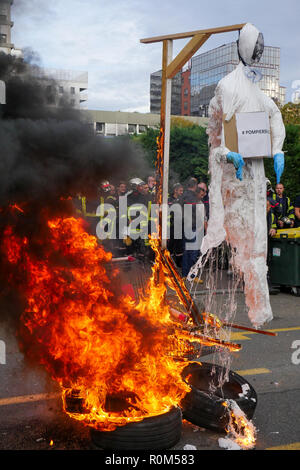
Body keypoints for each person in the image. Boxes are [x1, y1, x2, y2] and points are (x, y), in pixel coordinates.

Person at [190, 23, 286, 327]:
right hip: (238, 179)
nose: (257, 52)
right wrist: (225, 154)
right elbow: (216, 140)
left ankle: (259, 310)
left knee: (258, 245)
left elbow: (275, 115)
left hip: (255, 178)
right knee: (246, 243)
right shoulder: (227, 87)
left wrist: (280, 149)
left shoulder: (256, 92)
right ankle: (252, 307)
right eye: (255, 46)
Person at [182, 178, 203, 281]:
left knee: (186, 251)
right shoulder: (192, 198)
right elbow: (195, 213)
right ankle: (192, 276)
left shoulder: (183, 196)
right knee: (193, 251)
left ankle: (185, 274)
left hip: (184, 226)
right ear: (194, 187)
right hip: (192, 227)